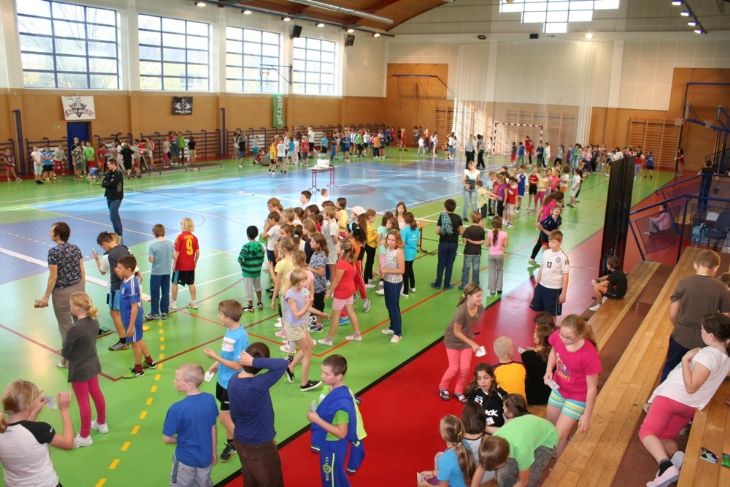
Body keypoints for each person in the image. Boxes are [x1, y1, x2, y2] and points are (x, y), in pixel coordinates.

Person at [639, 313, 730, 487]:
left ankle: (666, 467)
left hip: (672, 398)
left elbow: (691, 386)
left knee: (647, 433)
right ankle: (676, 459)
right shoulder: (725, 358)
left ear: (711, 335)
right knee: (665, 438)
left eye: (702, 329)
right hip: (689, 406)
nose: (701, 332)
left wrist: (685, 359)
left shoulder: (708, 355)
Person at [660, 249, 730, 381]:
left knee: (670, 367)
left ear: (695, 264)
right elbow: (725, 318)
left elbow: (673, 312)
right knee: (696, 375)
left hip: (681, 336)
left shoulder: (684, 282)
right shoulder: (722, 288)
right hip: (706, 342)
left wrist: (679, 326)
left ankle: (661, 393)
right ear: (716, 267)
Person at [228, 343, 287, 486]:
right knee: (271, 481)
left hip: (241, 439)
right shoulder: (257, 385)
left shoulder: (234, 380)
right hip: (259, 445)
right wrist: (254, 362)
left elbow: (233, 415)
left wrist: (251, 362)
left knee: (250, 478)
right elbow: (283, 364)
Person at [471, 394, 558, 487]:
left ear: (505, 458)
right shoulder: (492, 442)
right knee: (502, 475)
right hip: (527, 431)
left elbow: (524, 482)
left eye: (496, 467)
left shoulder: (522, 451)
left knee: (531, 480)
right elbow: (480, 469)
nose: (495, 470)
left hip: (547, 439)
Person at [544, 315, 601, 455]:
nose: (563, 340)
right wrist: (549, 370)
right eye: (562, 335)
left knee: (557, 436)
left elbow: (592, 388)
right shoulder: (558, 337)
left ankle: (558, 460)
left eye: (569, 338)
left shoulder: (589, 355)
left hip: (577, 397)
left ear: (580, 335)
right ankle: (555, 454)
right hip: (558, 389)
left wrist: (587, 415)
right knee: (549, 426)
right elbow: (554, 351)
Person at [308, 354, 367, 487]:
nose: (322, 376)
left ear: (339, 376)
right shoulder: (328, 388)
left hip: (333, 445)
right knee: (338, 475)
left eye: (326, 374)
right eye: (322, 372)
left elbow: (341, 433)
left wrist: (317, 420)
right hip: (328, 440)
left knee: (330, 479)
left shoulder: (342, 405)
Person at [0, 381, 75, 486]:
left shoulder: (3, 428)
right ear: (27, 406)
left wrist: (34, 411)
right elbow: (69, 443)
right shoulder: (40, 429)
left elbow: (24, 431)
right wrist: (64, 410)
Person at [34, 222, 86, 367]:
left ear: (57, 235)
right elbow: (82, 271)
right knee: (80, 322)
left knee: (65, 327)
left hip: (62, 293)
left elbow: (53, 277)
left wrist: (46, 297)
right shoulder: (75, 248)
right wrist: (82, 290)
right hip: (78, 289)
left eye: (51, 231)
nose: (49, 233)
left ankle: (68, 360)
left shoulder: (54, 252)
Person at [203, 299, 248, 461]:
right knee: (228, 415)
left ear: (228, 318)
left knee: (223, 417)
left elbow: (237, 365)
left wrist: (215, 357)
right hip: (222, 380)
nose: (218, 317)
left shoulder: (240, 337)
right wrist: (216, 365)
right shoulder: (229, 330)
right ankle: (232, 443)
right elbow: (227, 354)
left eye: (220, 315)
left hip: (232, 383)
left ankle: (247, 444)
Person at [62, 292, 107, 449]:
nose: (69, 307)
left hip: (80, 369)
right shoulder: (94, 321)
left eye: (71, 305)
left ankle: (85, 435)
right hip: (92, 364)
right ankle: (101, 422)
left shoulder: (74, 329)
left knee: (83, 402)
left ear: (77, 308)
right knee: (96, 392)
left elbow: (66, 352)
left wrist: (65, 359)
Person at [162, 364, 219, 487]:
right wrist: (213, 451)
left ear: (189, 384)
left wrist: (181, 439)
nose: (174, 382)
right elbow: (212, 427)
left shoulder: (176, 409)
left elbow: (167, 439)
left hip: (185, 460)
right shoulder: (210, 399)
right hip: (205, 457)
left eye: (177, 379)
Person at [439, 284, 484, 403]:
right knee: (454, 368)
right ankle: (443, 388)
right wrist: (472, 343)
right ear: (469, 296)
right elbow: (457, 332)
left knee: (465, 369)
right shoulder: (461, 312)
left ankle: (458, 391)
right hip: (453, 340)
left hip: (466, 339)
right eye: (478, 296)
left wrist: (470, 335)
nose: (480, 298)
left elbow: (471, 324)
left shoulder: (480, 308)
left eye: (481, 296)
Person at [115, 255, 157, 378]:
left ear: (128, 269)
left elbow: (134, 307)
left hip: (131, 319)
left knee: (134, 343)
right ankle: (149, 361)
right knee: (138, 339)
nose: (118, 270)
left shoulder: (131, 285)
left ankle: (138, 369)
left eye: (120, 268)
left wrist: (131, 326)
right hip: (128, 318)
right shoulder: (126, 280)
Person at [282, 268, 322, 391]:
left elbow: (307, 308)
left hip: (302, 324)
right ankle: (304, 384)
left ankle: (290, 368)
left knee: (310, 345)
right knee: (308, 353)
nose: (306, 282)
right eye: (303, 281)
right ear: (296, 282)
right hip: (294, 326)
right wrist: (308, 304)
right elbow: (297, 315)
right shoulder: (290, 295)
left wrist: (321, 314)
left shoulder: (304, 290)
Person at [318, 240, 364, 345]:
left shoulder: (342, 263)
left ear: (343, 250)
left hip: (342, 292)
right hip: (350, 290)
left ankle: (329, 340)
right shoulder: (351, 260)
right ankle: (357, 334)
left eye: (338, 246)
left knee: (335, 316)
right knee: (351, 312)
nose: (336, 248)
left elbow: (336, 281)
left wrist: (329, 292)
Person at [92, 231, 129, 351]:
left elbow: (118, 273)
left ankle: (123, 341)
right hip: (128, 285)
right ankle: (130, 335)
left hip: (117, 287)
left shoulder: (111, 255)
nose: (103, 249)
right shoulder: (124, 249)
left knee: (114, 313)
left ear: (104, 243)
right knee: (126, 311)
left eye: (102, 246)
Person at [417, 415, 475, 487]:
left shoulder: (445, 459)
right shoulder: (465, 444)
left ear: (443, 435)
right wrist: (433, 473)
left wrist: (427, 485)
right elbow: (454, 469)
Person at [530, 230, 569, 317]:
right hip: (541, 286)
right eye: (550, 241)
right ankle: (541, 326)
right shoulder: (546, 253)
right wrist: (537, 282)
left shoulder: (563, 257)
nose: (551, 244)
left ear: (560, 242)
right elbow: (542, 268)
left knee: (551, 315)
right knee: (539, 311)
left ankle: (552, 327)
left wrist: (563, 293)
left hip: (553, 290)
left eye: (553, 242)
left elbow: (565, 276)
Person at [380, 230, 405, 343]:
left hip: (395, 283)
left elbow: (402, 270)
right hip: (387, 280)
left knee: (394, 307)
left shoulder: (398, 252)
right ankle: (392, 327)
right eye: (389, 239)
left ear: (397, 241)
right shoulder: (388, 250)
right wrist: (382, 270)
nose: (390, 242)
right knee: (388, 305)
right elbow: (388, 265)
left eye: (393, 240)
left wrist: (387, 270)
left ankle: (398, 333)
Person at [432, 199, 464, 290]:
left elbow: (437, 232)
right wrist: (455, 232)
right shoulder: (458, 217)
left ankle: (437, 284)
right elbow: (461, 232)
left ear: (445, 207)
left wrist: (443, 231)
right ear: (454, 207)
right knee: (449, 264)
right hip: (453, 243)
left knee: (441, 264)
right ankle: (447, 285)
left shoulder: (442, 217)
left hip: (443, 243)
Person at [466, 363, 507, 433]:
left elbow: (510, 417)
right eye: (479, 378)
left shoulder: (501, 394)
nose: (482, 381)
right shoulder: (473, 394)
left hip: (497, 431)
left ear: (492, 377)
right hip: (478, 431)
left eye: (486, 377)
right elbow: (469, 416)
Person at [146, 224, 174, 321]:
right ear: (164, 232)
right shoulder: (170, 243)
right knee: (165, 292)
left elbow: (151, 260)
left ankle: (155, 313)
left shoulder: (153, 245)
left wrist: (151, 258)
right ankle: (165, 312)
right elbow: (173, 255)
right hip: (167, 272)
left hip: (156, 273)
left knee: (155, 293)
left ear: (154, 233)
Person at [171, 217, 200, 310]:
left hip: (180, 266)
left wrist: (174, 264)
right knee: (191, 283)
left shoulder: (180, 237)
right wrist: (195, 262)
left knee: (174, 283)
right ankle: (194, 303)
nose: (180, 226)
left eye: (181, 224)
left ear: (184, 225)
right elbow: (198, 252)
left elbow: (177, 253)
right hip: (190, 266)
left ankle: (174, 303)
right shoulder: (194, 238)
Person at [520, 324, 553, 406]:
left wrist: (533, 350)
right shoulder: (553, 355)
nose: (533, 334)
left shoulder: (526, 355)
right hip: (549, 395)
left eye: (535, 333)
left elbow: (535, 358)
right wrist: (534, 349)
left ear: (539, 339)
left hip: (532, 396)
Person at [238, 225, 265, 313]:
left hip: (247, 272)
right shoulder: (260, 246)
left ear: (247, 235)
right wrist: (258, 266)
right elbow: (262, 257)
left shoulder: (246, 246)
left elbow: (240, 258)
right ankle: (260, 303)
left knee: (248, 289)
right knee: (258, 287)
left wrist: (243, 265)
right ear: (256, 234)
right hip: (257, 271)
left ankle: (250, 306)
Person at [460, 211, 485, 289]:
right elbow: (482, 242)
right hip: (477, 252)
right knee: (476, 269)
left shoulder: (468, 229)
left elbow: (464, 241)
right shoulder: (481, 230)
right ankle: (475, 284)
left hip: (468, 252)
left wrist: (470, 240)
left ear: (471, 219)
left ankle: (464, 284)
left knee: (466, 268)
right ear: (479, 219)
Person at [101, 158, 124, 238]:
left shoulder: (119, 173)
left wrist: (108, 183)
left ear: (113, 164)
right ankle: (117, 231)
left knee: (113, 214)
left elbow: (113, 184)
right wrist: (108, 183)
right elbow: (103, 183)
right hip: (109, 196)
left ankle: (119, 233)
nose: (108, 166)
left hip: (117, 197)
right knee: (114, 215)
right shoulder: (108, 173)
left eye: (109, 164)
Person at [487, 216, 509, 296]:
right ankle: (499, 288)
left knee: (492, 272)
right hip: (500, 255)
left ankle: (492, 290)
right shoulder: (504, 234)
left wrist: (491, 242)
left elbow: (487, 244)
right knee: (500, 271)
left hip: (491, 254)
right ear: (501, 224)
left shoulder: (489, 233)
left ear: (492, 224)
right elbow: (506, 245)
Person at [400, 212, 420, 296]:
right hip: (413, 252)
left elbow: (402, 244)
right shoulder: (417, 229)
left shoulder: (404, 231)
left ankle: (405, 291)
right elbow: (418, 242)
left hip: (407, 253)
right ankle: (412, 286)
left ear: (405, 220)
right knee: (410, 269)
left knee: (405, 272)